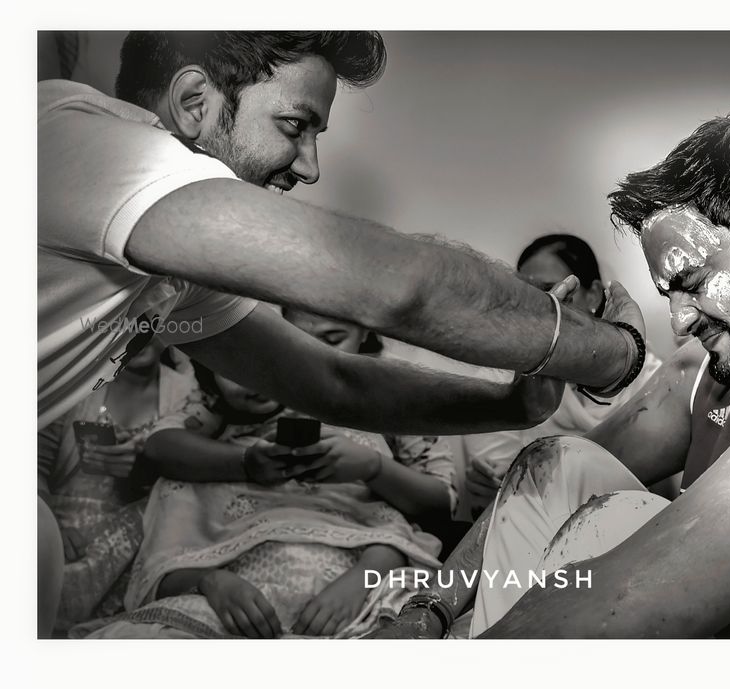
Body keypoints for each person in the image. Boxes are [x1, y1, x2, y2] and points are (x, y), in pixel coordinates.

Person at [37, 31, 645, 635]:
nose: (310, 166)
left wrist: (513, 404)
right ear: (194, 101)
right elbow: (402, 286)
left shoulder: (173, 269)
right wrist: (616, 354)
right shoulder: (87, 147)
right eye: (295, 125)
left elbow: (331, 382)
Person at [373, 108, 730, 639]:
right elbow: (543, 483)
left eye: (694, 282)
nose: (679, 321)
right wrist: (426, 612)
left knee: (615, 525)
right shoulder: (713, 371)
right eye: (668, 296)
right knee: (561, 463)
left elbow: (636, 591)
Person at [82, 363, 449, 639]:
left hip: (357, 590)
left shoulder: (349, 435)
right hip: (236, 603)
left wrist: (363, 577)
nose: (253, 382)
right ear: (209, 382)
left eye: (265, 365)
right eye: (233, 371)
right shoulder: (200, 453)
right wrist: (211, 582)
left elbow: (398, 525)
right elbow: (167, 552)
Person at [463, 234, 663, 515]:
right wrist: (490, 488)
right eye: (526, 293)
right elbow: (497, 485)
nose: (537, 306)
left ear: (593, 295)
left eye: (551, 290)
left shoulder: (650, 380)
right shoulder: (504, 376)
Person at [36, 339, 206, 634]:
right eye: (130, 323)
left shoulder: (189, 395)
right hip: (63, 536)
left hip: (142, 546)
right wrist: (49, 523)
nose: (139, 335)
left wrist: (144, 473)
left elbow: (191, 483)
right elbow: (31, 465)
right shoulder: (76, 386)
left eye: (150, 324)